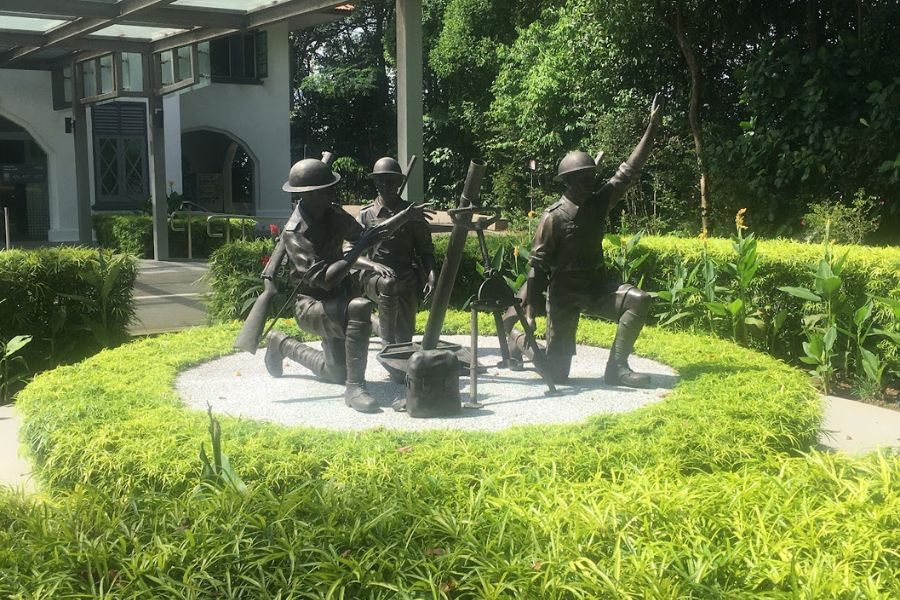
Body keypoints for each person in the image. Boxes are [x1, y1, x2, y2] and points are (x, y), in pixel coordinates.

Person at [506, 94, 663, 388]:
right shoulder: (552, 218)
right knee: (556, 375)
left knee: (638, 300)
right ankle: (515, 340)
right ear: (568, 182)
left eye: (593, 177)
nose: (591, 183)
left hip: (596, 287)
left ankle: (617, 367)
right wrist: (529, 313)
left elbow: (628, 171)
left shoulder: (598, 203)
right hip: (564, 296)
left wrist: (651, 127)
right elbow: (537, 269)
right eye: (584, 179)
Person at [263, 158, 424, 412]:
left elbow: (369, 236)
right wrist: (358, 250)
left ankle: (281, 343)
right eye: (328, 189)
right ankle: (355, 387)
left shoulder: (333, 214)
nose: (333, 192)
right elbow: (326, 280)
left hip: (337, 302)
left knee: (333, 372)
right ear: (311, 195)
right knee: (359, 307)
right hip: (311, 305)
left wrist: (403, 218)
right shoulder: (296, 232)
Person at [357, 157, 437, 347]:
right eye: (381, 180)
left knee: (404, 338)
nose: (386, 184)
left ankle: (375, 324)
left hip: (406, 278)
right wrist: (374, 265)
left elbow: (425, 249)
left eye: (391, 180)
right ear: (375, 182)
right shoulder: (365, 215)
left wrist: (432, 275)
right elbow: (351, 253)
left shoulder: (413, 213)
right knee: (389, 284)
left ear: (400, 182)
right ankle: (387, 343)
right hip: (374, 277)